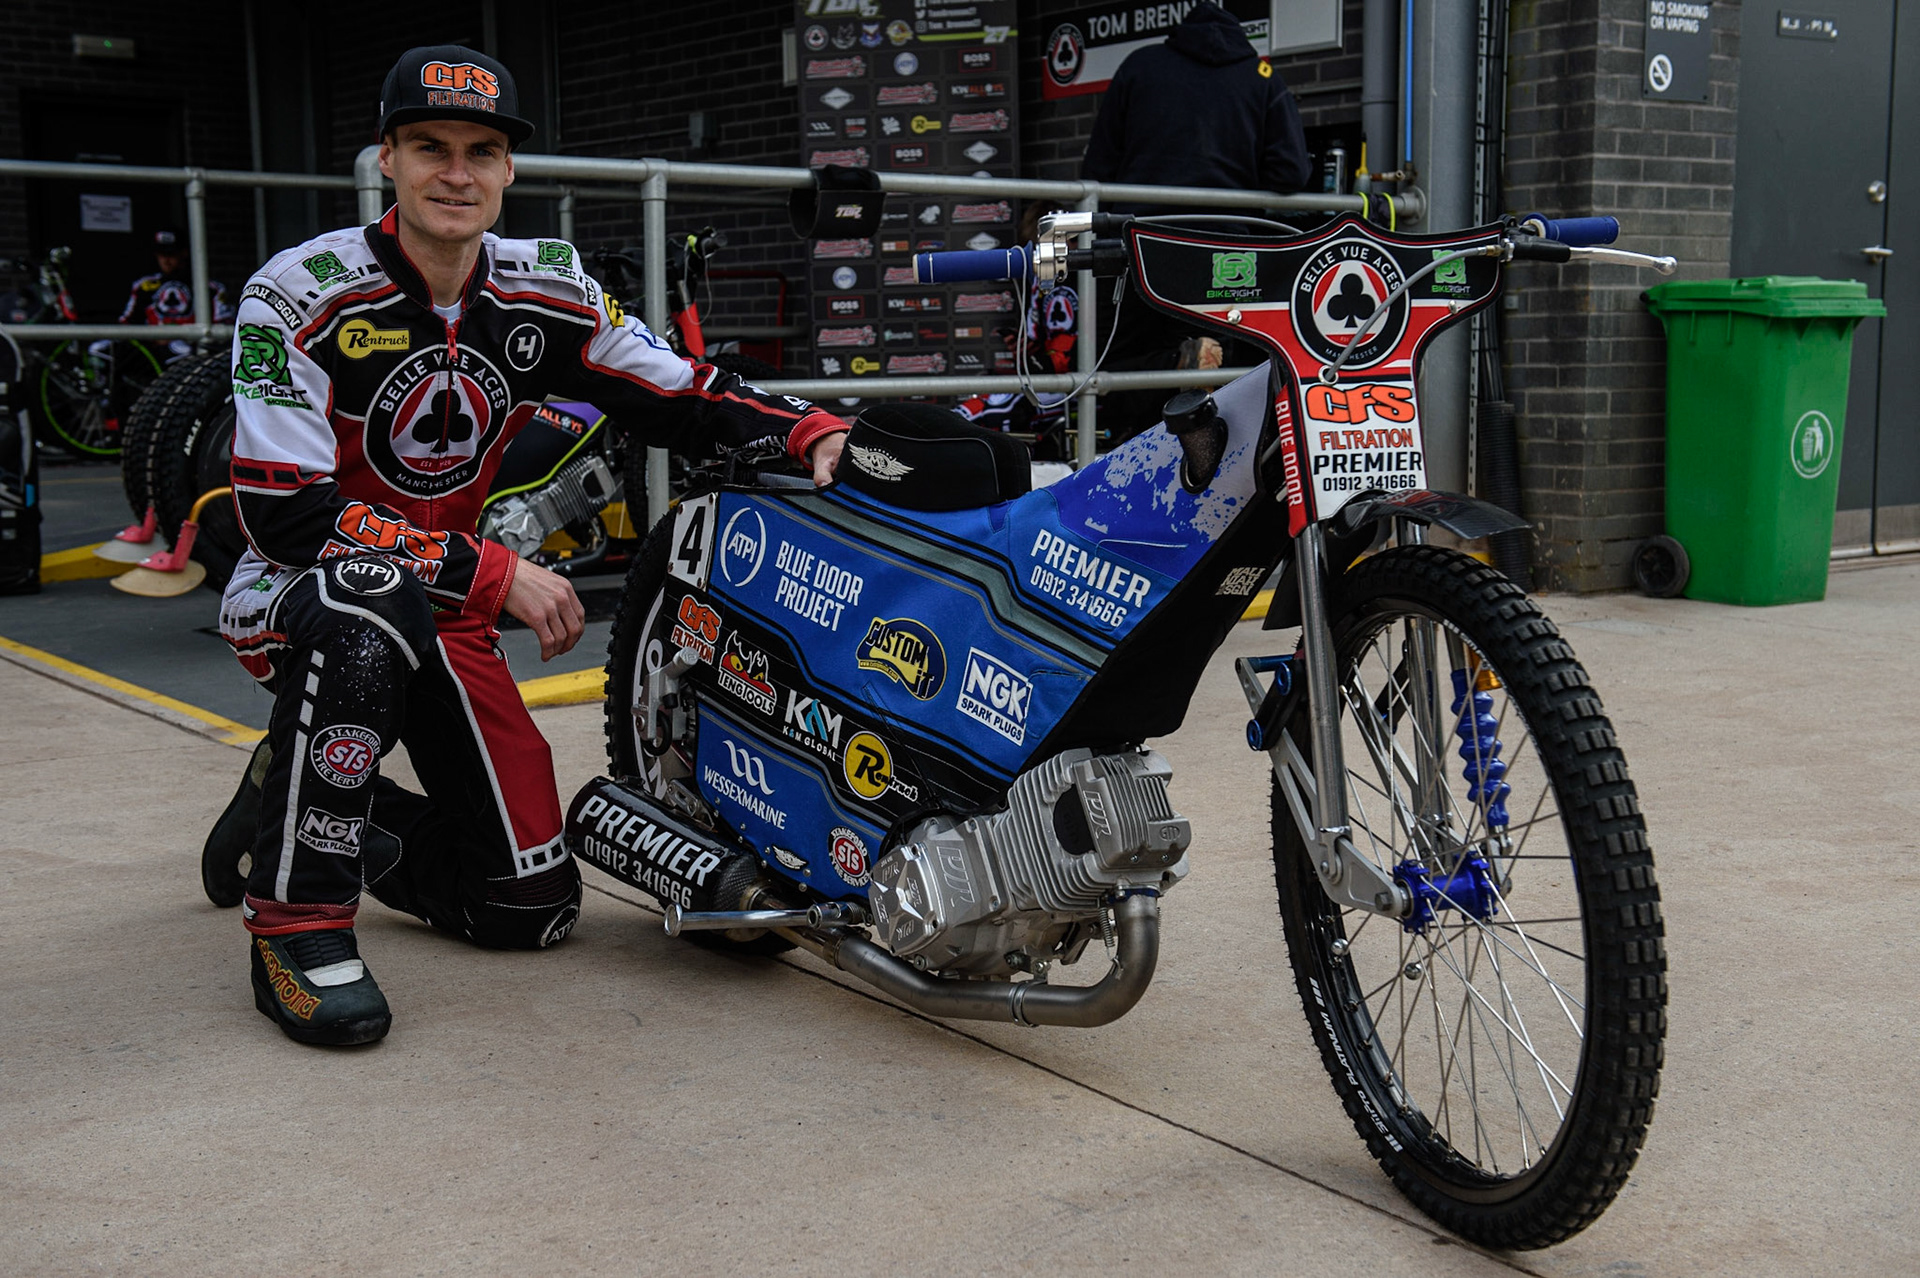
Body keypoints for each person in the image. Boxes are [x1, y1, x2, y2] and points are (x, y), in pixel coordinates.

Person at [200, 44, 850, 1048]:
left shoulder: (546, 285)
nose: (455, 173)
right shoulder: (296, 293)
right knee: (366, 606)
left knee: (526, 904)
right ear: (387, 158)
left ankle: (291, 793)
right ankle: (298, 929)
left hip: (446, 605)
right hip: (298, 592)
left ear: (508, 169)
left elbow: (678, 392)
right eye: (430, 147)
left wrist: (811, 431)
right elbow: (286, 514)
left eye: (481, 151)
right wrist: (491, 570)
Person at [1080, 1, 1311, 441]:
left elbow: (1098, 167)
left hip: (1143, 244)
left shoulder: (1140, 65)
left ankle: (1163, 391)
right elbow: (1291, 173)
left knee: (1124, 367)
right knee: (1225, 384)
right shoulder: (1262, 77)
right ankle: (1207, 454)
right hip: (1225, 252)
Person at [955, 201, 1077, 459]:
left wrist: (1035, 357)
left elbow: (1061, 361)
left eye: (1047, 244)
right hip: (1044, 385)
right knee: (974, 407)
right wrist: (1024, 348)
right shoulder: (1042, 280)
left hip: (1070, 389)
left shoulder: (1071, 284)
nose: (1039, 254)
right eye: (1035, 245)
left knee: (980, 412)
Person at [117, 228, 233, 362]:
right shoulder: (143, 286)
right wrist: (152, 338)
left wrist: (183, 337)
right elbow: (126, 324)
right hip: (149, 354)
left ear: (184, 253)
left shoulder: (210, 288)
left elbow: (224, 327)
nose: (166, 260)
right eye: (161, 254)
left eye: (171, 254)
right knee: (102, 348)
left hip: (192, 352)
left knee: (180, 348)